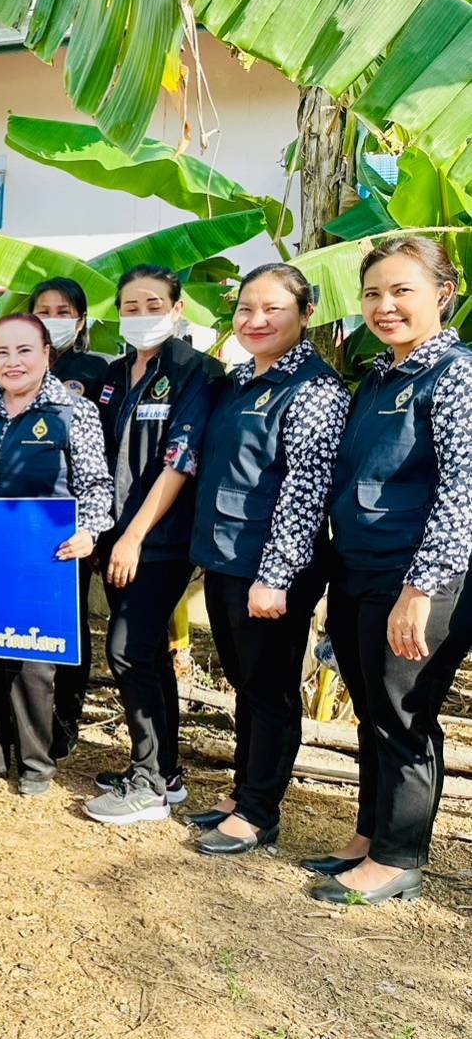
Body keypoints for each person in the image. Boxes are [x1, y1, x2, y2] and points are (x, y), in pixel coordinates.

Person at [310, 236, 472, 905]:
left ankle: (400, 855)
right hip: (360, 569)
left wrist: (420, 588)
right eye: (373, 292)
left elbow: (463, 490)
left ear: (444, 294)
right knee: (374, 708)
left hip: (419, 578)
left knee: (404, 714)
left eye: (402, 290)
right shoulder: (378, 376)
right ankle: (370, 836)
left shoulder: (456, 375)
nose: (384, 305)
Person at [185, 264, 348, 855]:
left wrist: (275, 578)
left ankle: (259, 812)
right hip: (226, 558)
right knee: (247, 684)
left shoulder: (315, 391)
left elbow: (305, 492)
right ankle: (243, 789)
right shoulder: (237, 381)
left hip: (270, 570)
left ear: (305, 316)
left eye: (272, 309)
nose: (255, 321)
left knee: (271, 687)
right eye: (245, 308)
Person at [0, 313, 112, 795]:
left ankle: (36, 763)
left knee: (34, 664)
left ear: (47, 354)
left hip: (48, 555)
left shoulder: (73, 411)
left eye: (24, 351)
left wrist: (90, 531)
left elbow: (96, 485)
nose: (13, 362)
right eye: (3, 353)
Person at [85, 264, 224, 826]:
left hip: (160, 541)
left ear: (177, 307)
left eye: (152, 304)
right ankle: (164, 771)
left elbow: (180, 461)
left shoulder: (198, 373)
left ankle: (146, 783)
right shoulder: (114, 374)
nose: (141, 316)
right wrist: (104, 532)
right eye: (131, 306)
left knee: (127, 648)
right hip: (115, 536)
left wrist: (135, 536)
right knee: (145, 654)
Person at [30, 277, 111, 759]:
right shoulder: (13, 363)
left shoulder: (95, 370)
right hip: (19, 520)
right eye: (43, 309)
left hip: (72, 524)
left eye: (63, 311)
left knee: (69, 623)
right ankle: (28, 717)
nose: (52, 318)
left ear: (80, 320)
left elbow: (104, 454)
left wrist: (97, 525)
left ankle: (65, 719)